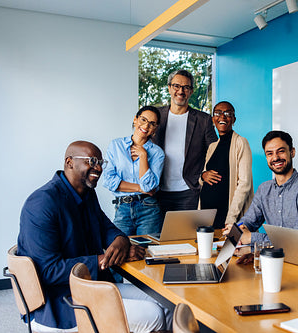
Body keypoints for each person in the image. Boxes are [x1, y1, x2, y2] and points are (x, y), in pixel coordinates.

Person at [17, 141, 172, 332]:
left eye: (100, 162)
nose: (98, 167)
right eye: (91, 161)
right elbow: (48, 271)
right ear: (69, 162)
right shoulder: (42, 203)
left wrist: (120, 242)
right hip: (59, 303)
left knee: (167, 302)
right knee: (152, 315)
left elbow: (107, 228)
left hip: (90, 287)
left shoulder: (88, 194)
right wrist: (103, 260)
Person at [224, 130, 298, 260]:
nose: (275, 158)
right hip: (274, 261)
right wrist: (239, 231)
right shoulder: (264, 189)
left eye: (280, 151)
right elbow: (248, 221)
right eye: (270, 153)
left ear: (292, 152)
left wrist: (251, 240)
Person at [152, 69, 217, 213]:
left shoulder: (203, 120)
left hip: (189, 190)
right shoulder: (156, 116)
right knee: (160, 235)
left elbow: (215, 152)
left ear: (191, 91)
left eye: (186, 87)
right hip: (158, 190)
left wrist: (205, 173)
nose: (180, 91)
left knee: (186, 235)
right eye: (176, 86)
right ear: (169, 88)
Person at [103, 106, 165, 236]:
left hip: (149, 210)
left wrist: (143, 156)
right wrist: (140, 188)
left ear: (155, 128)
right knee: (120, 251)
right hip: (122, 208)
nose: (146, 126)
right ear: (135, 120)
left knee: (148, 252)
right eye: (143, 120)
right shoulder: (116, 145)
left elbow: (149, 186)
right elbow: (109, 181)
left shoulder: (157, 153)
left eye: (152, 123)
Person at [199, 101, 254, 229]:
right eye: (218, 113)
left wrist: (231, 217)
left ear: (233, 119)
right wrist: (203, 176)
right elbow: (203, 178)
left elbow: (245, 183)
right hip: (207, 215)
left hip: (227, 216)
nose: (222, 117)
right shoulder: (212, 146)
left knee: (230, 248)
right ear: (213, 119)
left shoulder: (241, 143)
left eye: (228, 113)